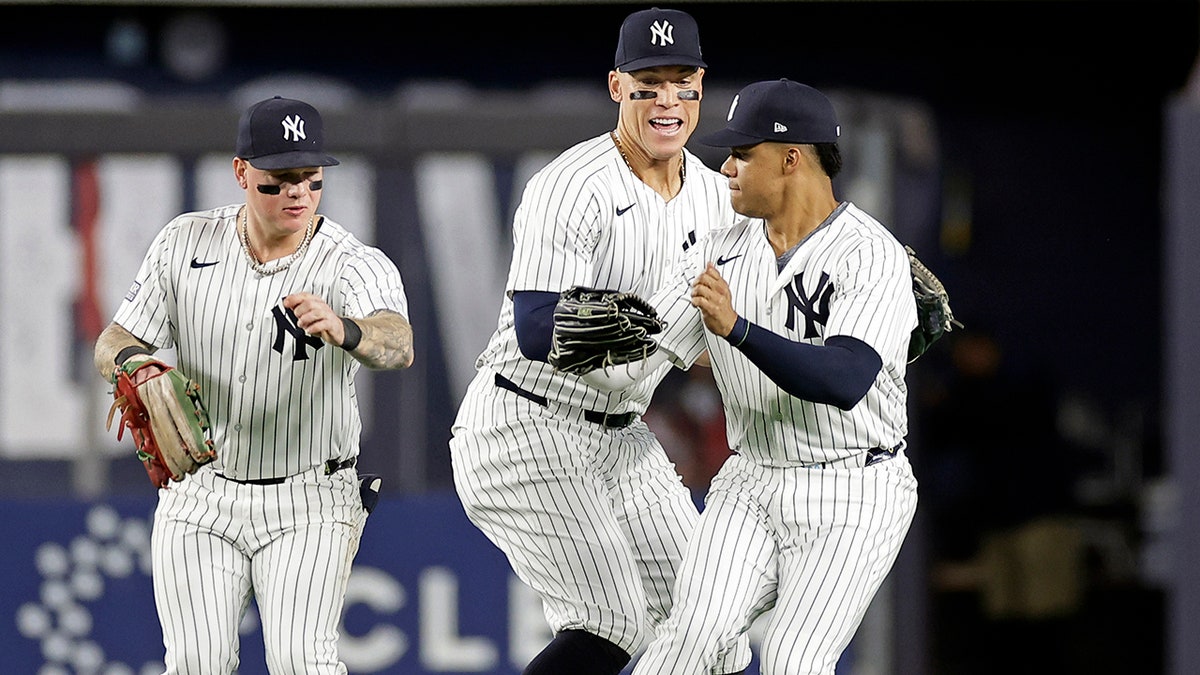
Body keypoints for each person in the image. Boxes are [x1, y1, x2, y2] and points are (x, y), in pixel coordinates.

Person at [580, 78, 920, 674]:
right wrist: (575, 348)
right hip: (752, 478)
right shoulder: (722, 250)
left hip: (852, 487)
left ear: (792, 158)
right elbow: (649, 346)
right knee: (686, 640)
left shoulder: (869, 254)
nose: (727, 167)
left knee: (793, 658)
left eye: (743, 153)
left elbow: (844, 379)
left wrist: (736, 329)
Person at [448, 7, 750, 675]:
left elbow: (736, 324)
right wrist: (664, 327)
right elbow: (534, 327)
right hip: (524, 423)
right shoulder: (573, 183)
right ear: (617, 87)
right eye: (649, 83)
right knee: (609, 619)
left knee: (718, 634)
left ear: (702, 85)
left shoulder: (715, 198)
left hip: (619, 434)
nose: (667, 99)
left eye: (681, 81)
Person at [93, 95, 415, 673]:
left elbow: (398, 343)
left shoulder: (351, 263)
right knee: (197, 663)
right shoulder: (184, 242)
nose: (298, 194)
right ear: (241, 172)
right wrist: (134, 365)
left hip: (310, 498)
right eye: (279, 180)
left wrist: (346, 329)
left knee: (301, 662)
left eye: (311, 180)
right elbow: (112, 340)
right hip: (202, 492)